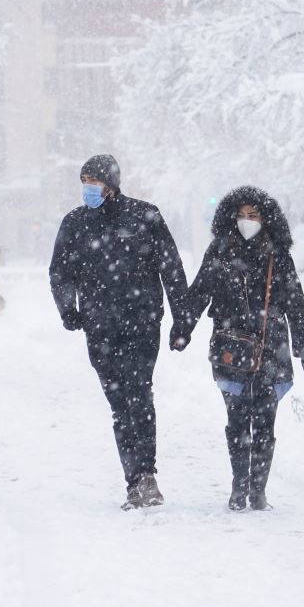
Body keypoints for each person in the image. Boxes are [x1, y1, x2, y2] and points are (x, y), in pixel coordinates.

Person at [49, 154, 188, 510]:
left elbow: (171, 267)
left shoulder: (145, 216)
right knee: (119, 405)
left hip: (141, 323)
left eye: (94, 181)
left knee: (139, 394)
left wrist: (181, 319)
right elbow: (60, 272)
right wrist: (68, 308)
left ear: (111, 183)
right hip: (99, 328)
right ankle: (134, 480)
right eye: (84, 181)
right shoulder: (76, 223)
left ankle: (146, 476)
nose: (88, 188)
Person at [176, 186, 304, 511]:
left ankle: (258, 491)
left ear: (265, 219)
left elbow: (296, 304)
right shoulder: (220, 251)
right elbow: (200, 291)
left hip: (272, 347)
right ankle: (238, 487)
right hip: (231, 348)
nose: (247, 221)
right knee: (237, 419)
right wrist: (182, 329)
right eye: (242, 216)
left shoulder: (277, 255)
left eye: (253, 216)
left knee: (266, 420)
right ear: (232, 217)